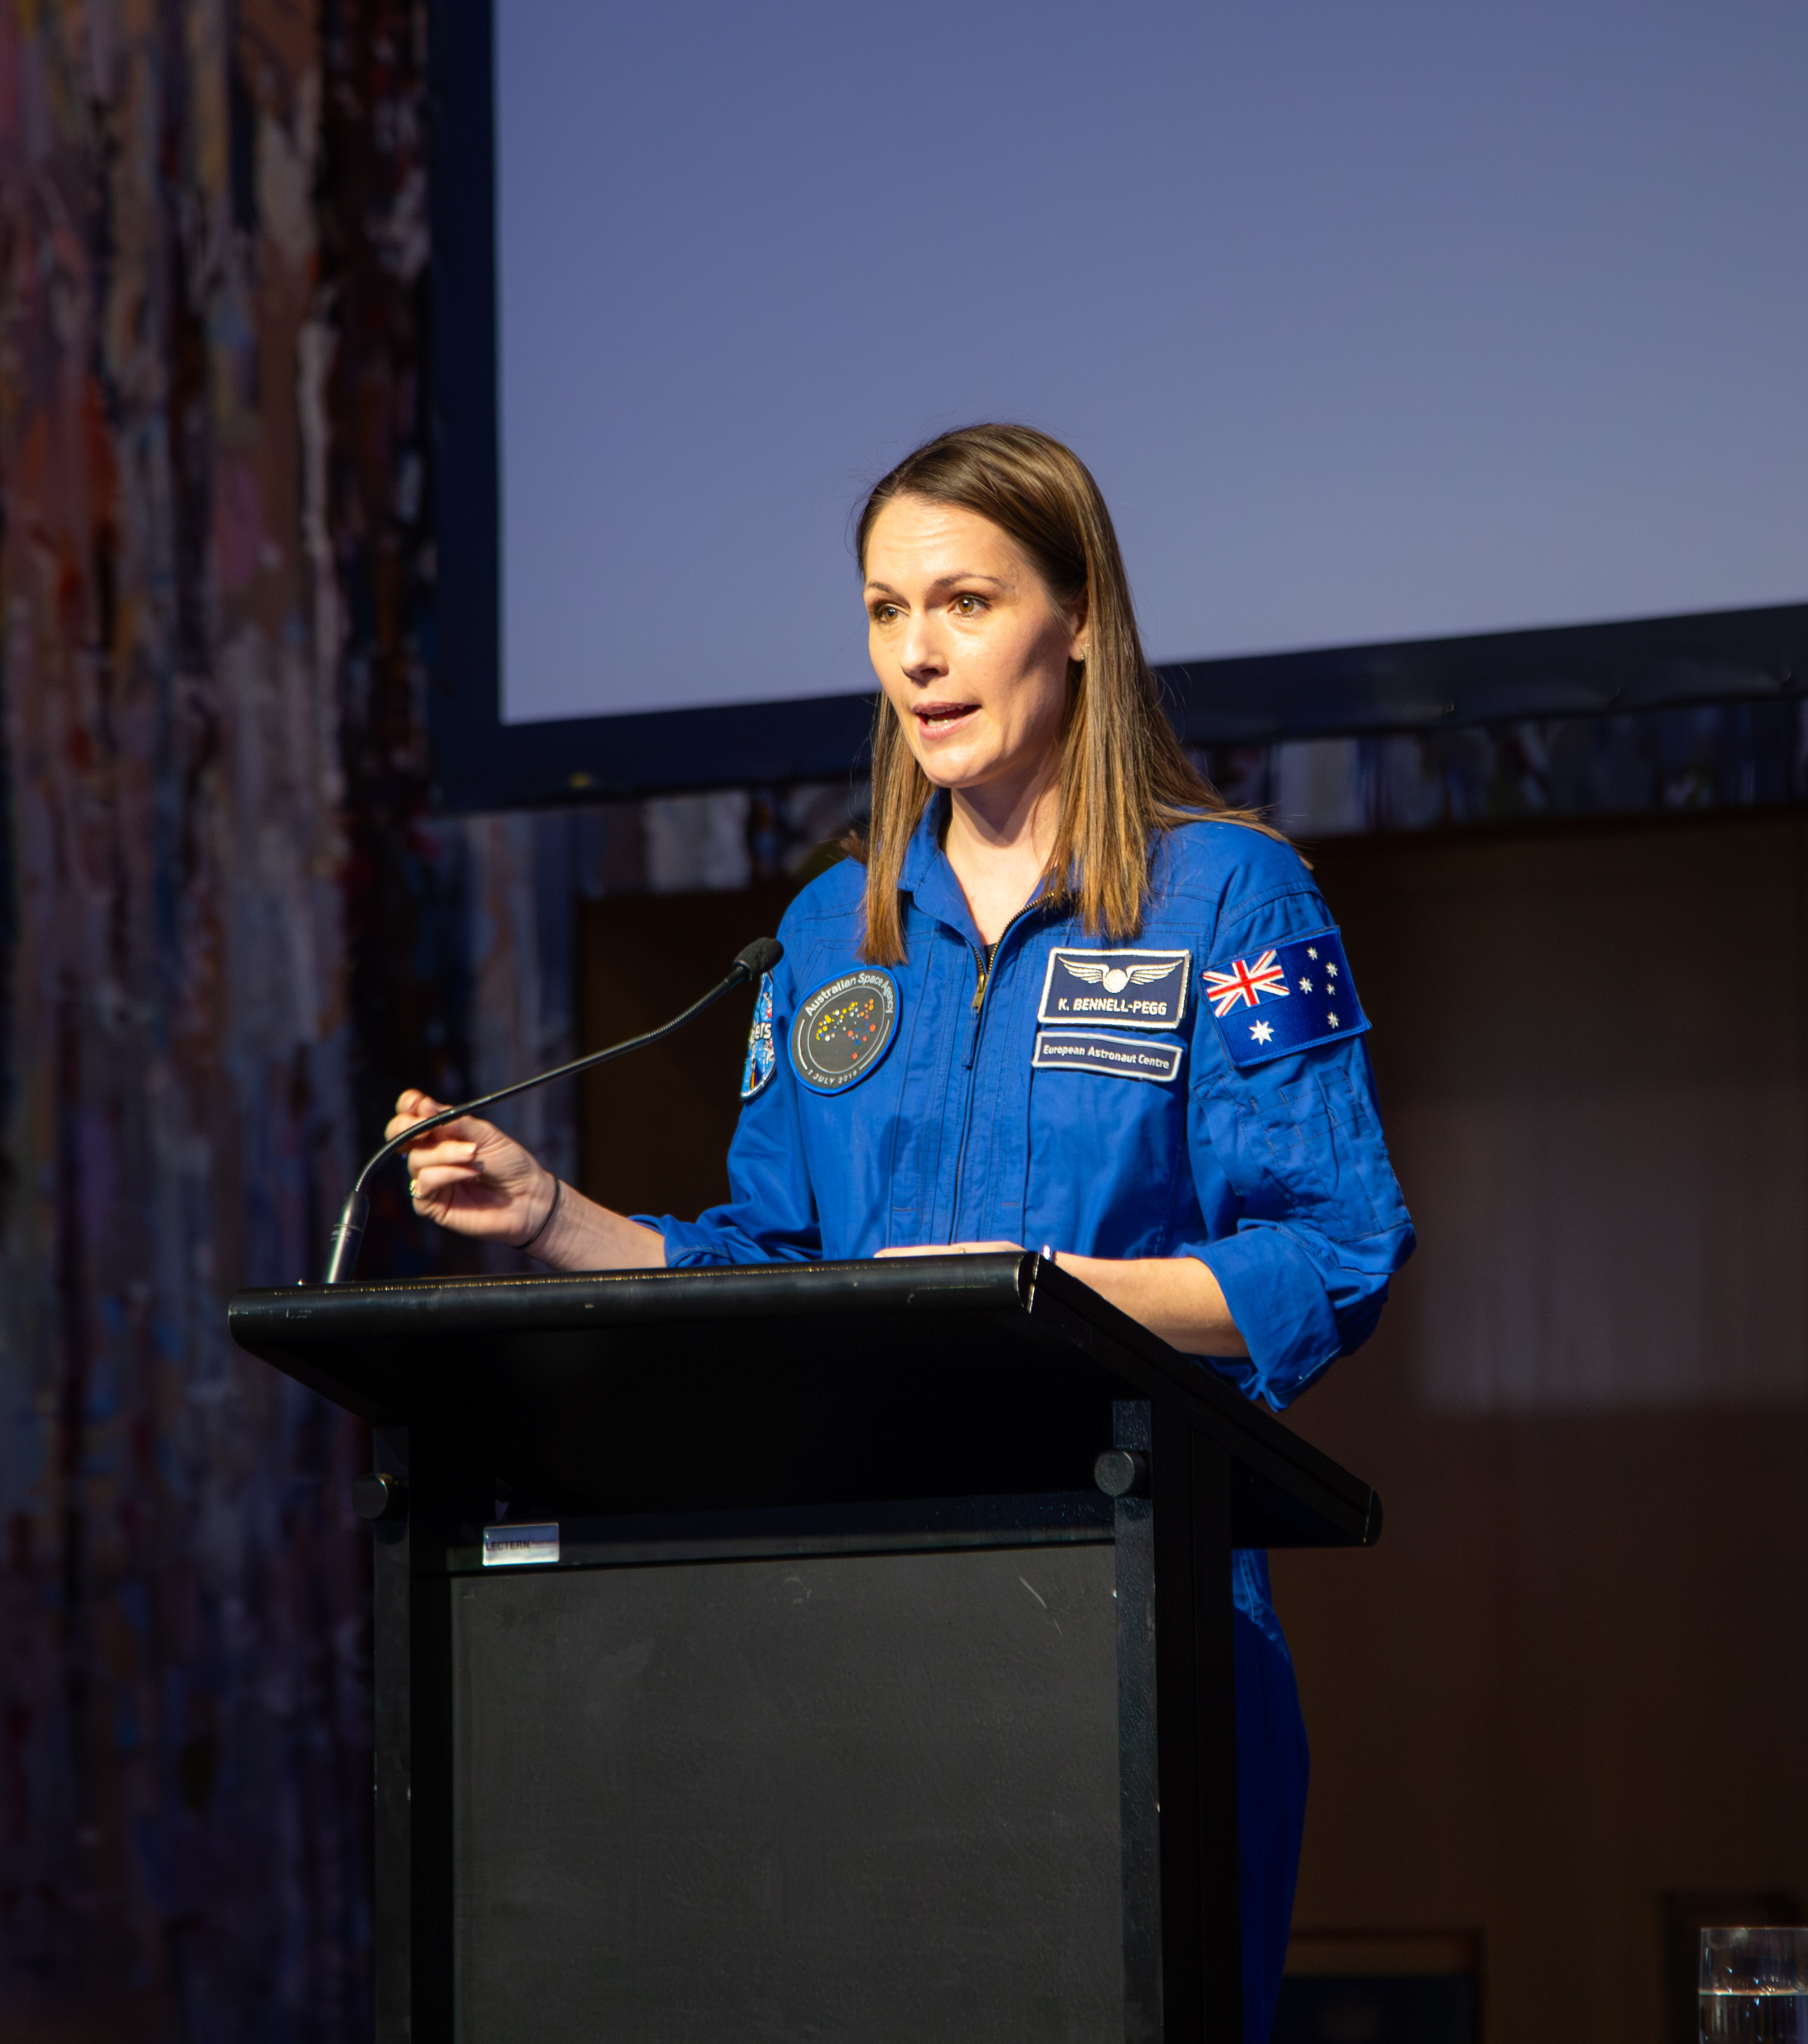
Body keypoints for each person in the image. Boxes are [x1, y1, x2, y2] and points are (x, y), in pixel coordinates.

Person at [388, 421, 1414, 2041]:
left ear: (1077, 617)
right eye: (885, 611)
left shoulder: (1230, 898)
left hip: (1146, 1611)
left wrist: (1045, 1305)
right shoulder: (828, 930)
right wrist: (553, 1217)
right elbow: (771, 1274)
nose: (920, 655)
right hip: (863, 1638)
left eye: (966, 602)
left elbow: (1334, 1251)